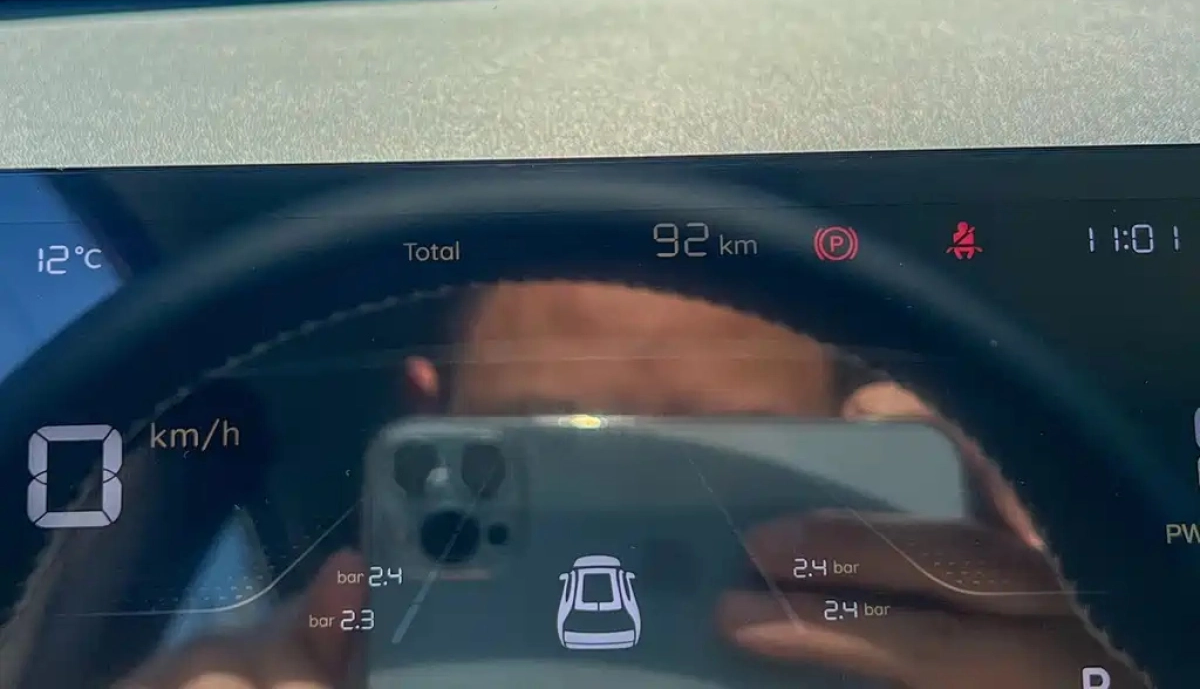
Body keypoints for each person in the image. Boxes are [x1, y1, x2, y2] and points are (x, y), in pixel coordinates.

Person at [117, 281, 1147, 688]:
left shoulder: (979, 670)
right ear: (424, 427)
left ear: (859, 461)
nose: (628, 539)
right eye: (550, 452)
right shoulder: (301, 662)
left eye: (731, 466)